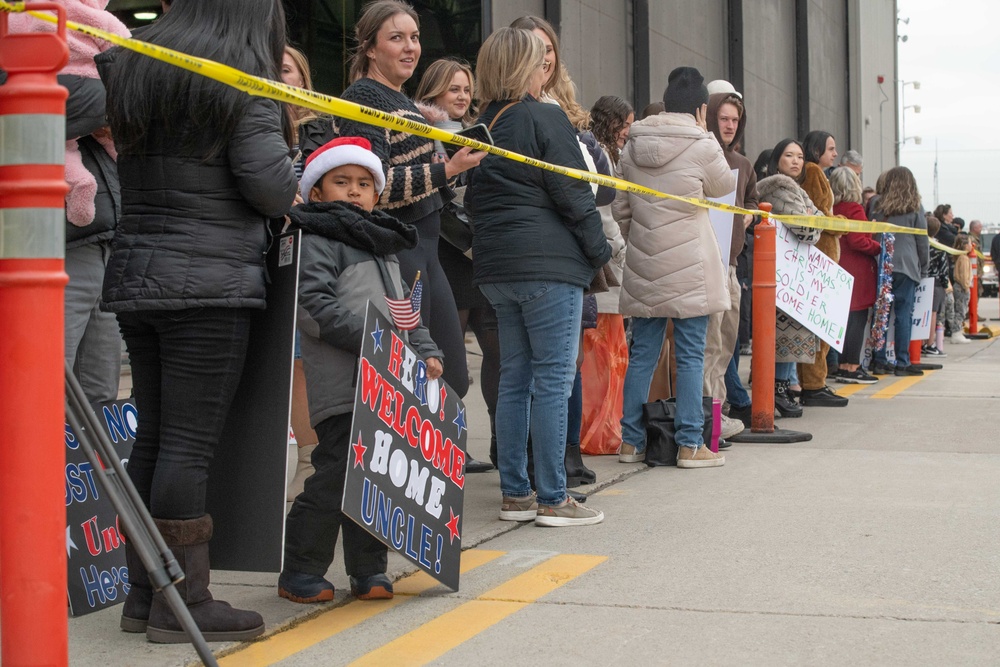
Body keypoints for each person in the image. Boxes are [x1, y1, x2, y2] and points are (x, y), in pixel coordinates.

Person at [100, 0, 298, 643]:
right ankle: (185, 600)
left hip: (137, 271)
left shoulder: (135, 64)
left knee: (154, 439)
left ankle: (144, 593)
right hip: (211, 280)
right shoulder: (242, 79)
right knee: (188, 446)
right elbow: (269, 187)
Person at [278, 136, 443, 604]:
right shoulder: (318, 236)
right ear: (316, 192)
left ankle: (368, 571)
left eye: (364, 183)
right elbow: (312, 306)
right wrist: (374, 342)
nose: (354, 191)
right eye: (341, 181)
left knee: (376, 480)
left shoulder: (380, 244)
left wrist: (426, 349)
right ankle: (301, 571)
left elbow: (403, 312)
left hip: (386, 386)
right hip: (344, 385)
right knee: (336, 475)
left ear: (377, 193)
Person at [300, 0, 483, 398]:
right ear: (369, 48)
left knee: (448, 371)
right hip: (401, 252)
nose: (409, 47)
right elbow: (371, 190)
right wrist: (445, 171)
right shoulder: (364, 99)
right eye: (396, 38)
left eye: (414, 38)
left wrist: (448, 170)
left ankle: (435, 455)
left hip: (427, 249)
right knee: (415, 373)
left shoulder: (400, 100)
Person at [466, 27, 610, 525]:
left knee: (514, 379)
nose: (543, 69)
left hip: (497, 268)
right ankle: (554, 496)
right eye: (538, 61)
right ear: (524, 68)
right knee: (553, 379)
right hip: (548, 265)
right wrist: (600, 254)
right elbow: (575, 194)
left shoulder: (482, 124)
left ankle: (517, 492)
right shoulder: (544, 116)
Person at [7, 0, 129, 405]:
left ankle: (88, 471)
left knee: (99, 396)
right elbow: (65, 100)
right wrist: (119, 99)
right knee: (42, 389)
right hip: (51, 249)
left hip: (108, 243)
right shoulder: (20, 33)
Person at [615, 66, 734, 468]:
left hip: (645, 263)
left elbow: (620, 208)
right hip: (691, 267)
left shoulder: (633, 144)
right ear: (701, 108)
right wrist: (706, 134)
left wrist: (644, 239)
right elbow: (721, 186)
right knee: (689, 356)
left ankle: (630, 442)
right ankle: (688, 444)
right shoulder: (701, 144)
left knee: (642, 354)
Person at [413, 58, 496, 474]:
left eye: (466, 89)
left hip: (478, 253)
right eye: (453, 90)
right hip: (448, 252)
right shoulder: (423, 133)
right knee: (447, 361)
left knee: (487, 356)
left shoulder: (475, 133)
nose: (462, 96)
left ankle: (464, 444)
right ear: (434, 93)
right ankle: (442, 448)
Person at [281, 44, 323, 501]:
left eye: (287, 69)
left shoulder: (322, 128)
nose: (279, 76)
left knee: (302, 361)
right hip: (259, 255)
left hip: (309, 257)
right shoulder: (250, 122)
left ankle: (314, 462)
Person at [703, 82, 757, 432]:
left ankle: (717, 411)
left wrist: (750, 214)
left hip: (732, 264)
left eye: (735, 119)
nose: (729, 125)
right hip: (706, 261)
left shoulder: (742, 163)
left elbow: (753, 198)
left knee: (727, 343)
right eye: (723, 118)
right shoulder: (702, 154)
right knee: (708, 343)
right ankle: (707, 415)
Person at [756, 139, 823, 418]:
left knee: (788, 331)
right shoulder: (780, 188)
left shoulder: (796, 190)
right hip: (781, 272)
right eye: (788, 156)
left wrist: (812, 218)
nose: (795, 161)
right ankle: (778, 388)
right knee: (784, 332)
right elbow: (809, 230)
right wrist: (811, 218)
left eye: (799, 156)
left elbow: (816, 218)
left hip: (791, 271)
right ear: (777, 159)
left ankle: (781, 386)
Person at [799, 130, 848, 408]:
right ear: (817, 149)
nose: (835, 153)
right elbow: (817, 216)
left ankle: (815, 382)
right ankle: (814, 384)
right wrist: (839, 222)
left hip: (823, 257)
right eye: (831, 148)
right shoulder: (813, 172)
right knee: (819, 326)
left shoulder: (816, 172)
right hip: (820, 258)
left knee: (820, 327)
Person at [870, 167, 929, 376]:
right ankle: (902, 362)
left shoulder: (876, 204)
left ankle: (878, 359)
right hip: (907, 265)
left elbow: (871, 232)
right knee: (904, 315)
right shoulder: (915, 206)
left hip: (882, 263)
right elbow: (922, 240)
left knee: (881, 313)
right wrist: (924, 267)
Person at [830, 167, 879, 383]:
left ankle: (842, 365)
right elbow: (859, 241)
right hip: (857, 271)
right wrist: (878, 246)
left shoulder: (832, 207)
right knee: (856, 319)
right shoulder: (855, 209)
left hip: (839, 266)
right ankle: (852, 366)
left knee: (844, 321)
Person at [923, 215, 952, 355]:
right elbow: (944, 270)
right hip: (935, 283)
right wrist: (945, 284)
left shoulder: (920, 244)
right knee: (933, 314)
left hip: (921, 280)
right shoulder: (939, 247)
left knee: (920, 313)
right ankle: (930, 344)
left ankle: (919, 343)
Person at [950, 233, 974, 340]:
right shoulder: (964, 258)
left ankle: (958, 331)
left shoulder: (960, 257)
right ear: (964, 245)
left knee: (959, 309)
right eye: (969, 243)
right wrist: (966, 287)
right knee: (961, 310)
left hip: (958, 286)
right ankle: (956, 332)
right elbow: (964, 275)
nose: (971, 245)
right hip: (961, 287)